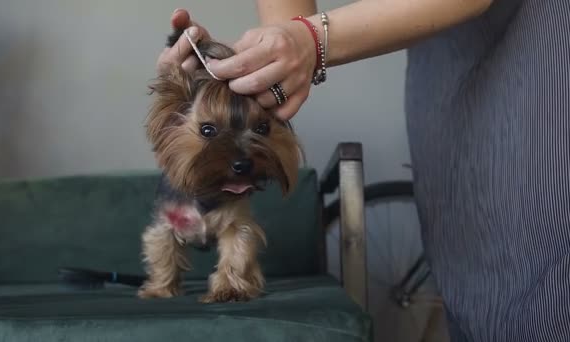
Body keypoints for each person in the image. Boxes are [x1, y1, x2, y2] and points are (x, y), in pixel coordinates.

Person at [157, 1, 570, 341]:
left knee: (538, 287)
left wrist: (311, 40)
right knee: (471, 286)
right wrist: (269, 58)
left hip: (539, 51)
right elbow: (289, 24)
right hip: (444, 71)